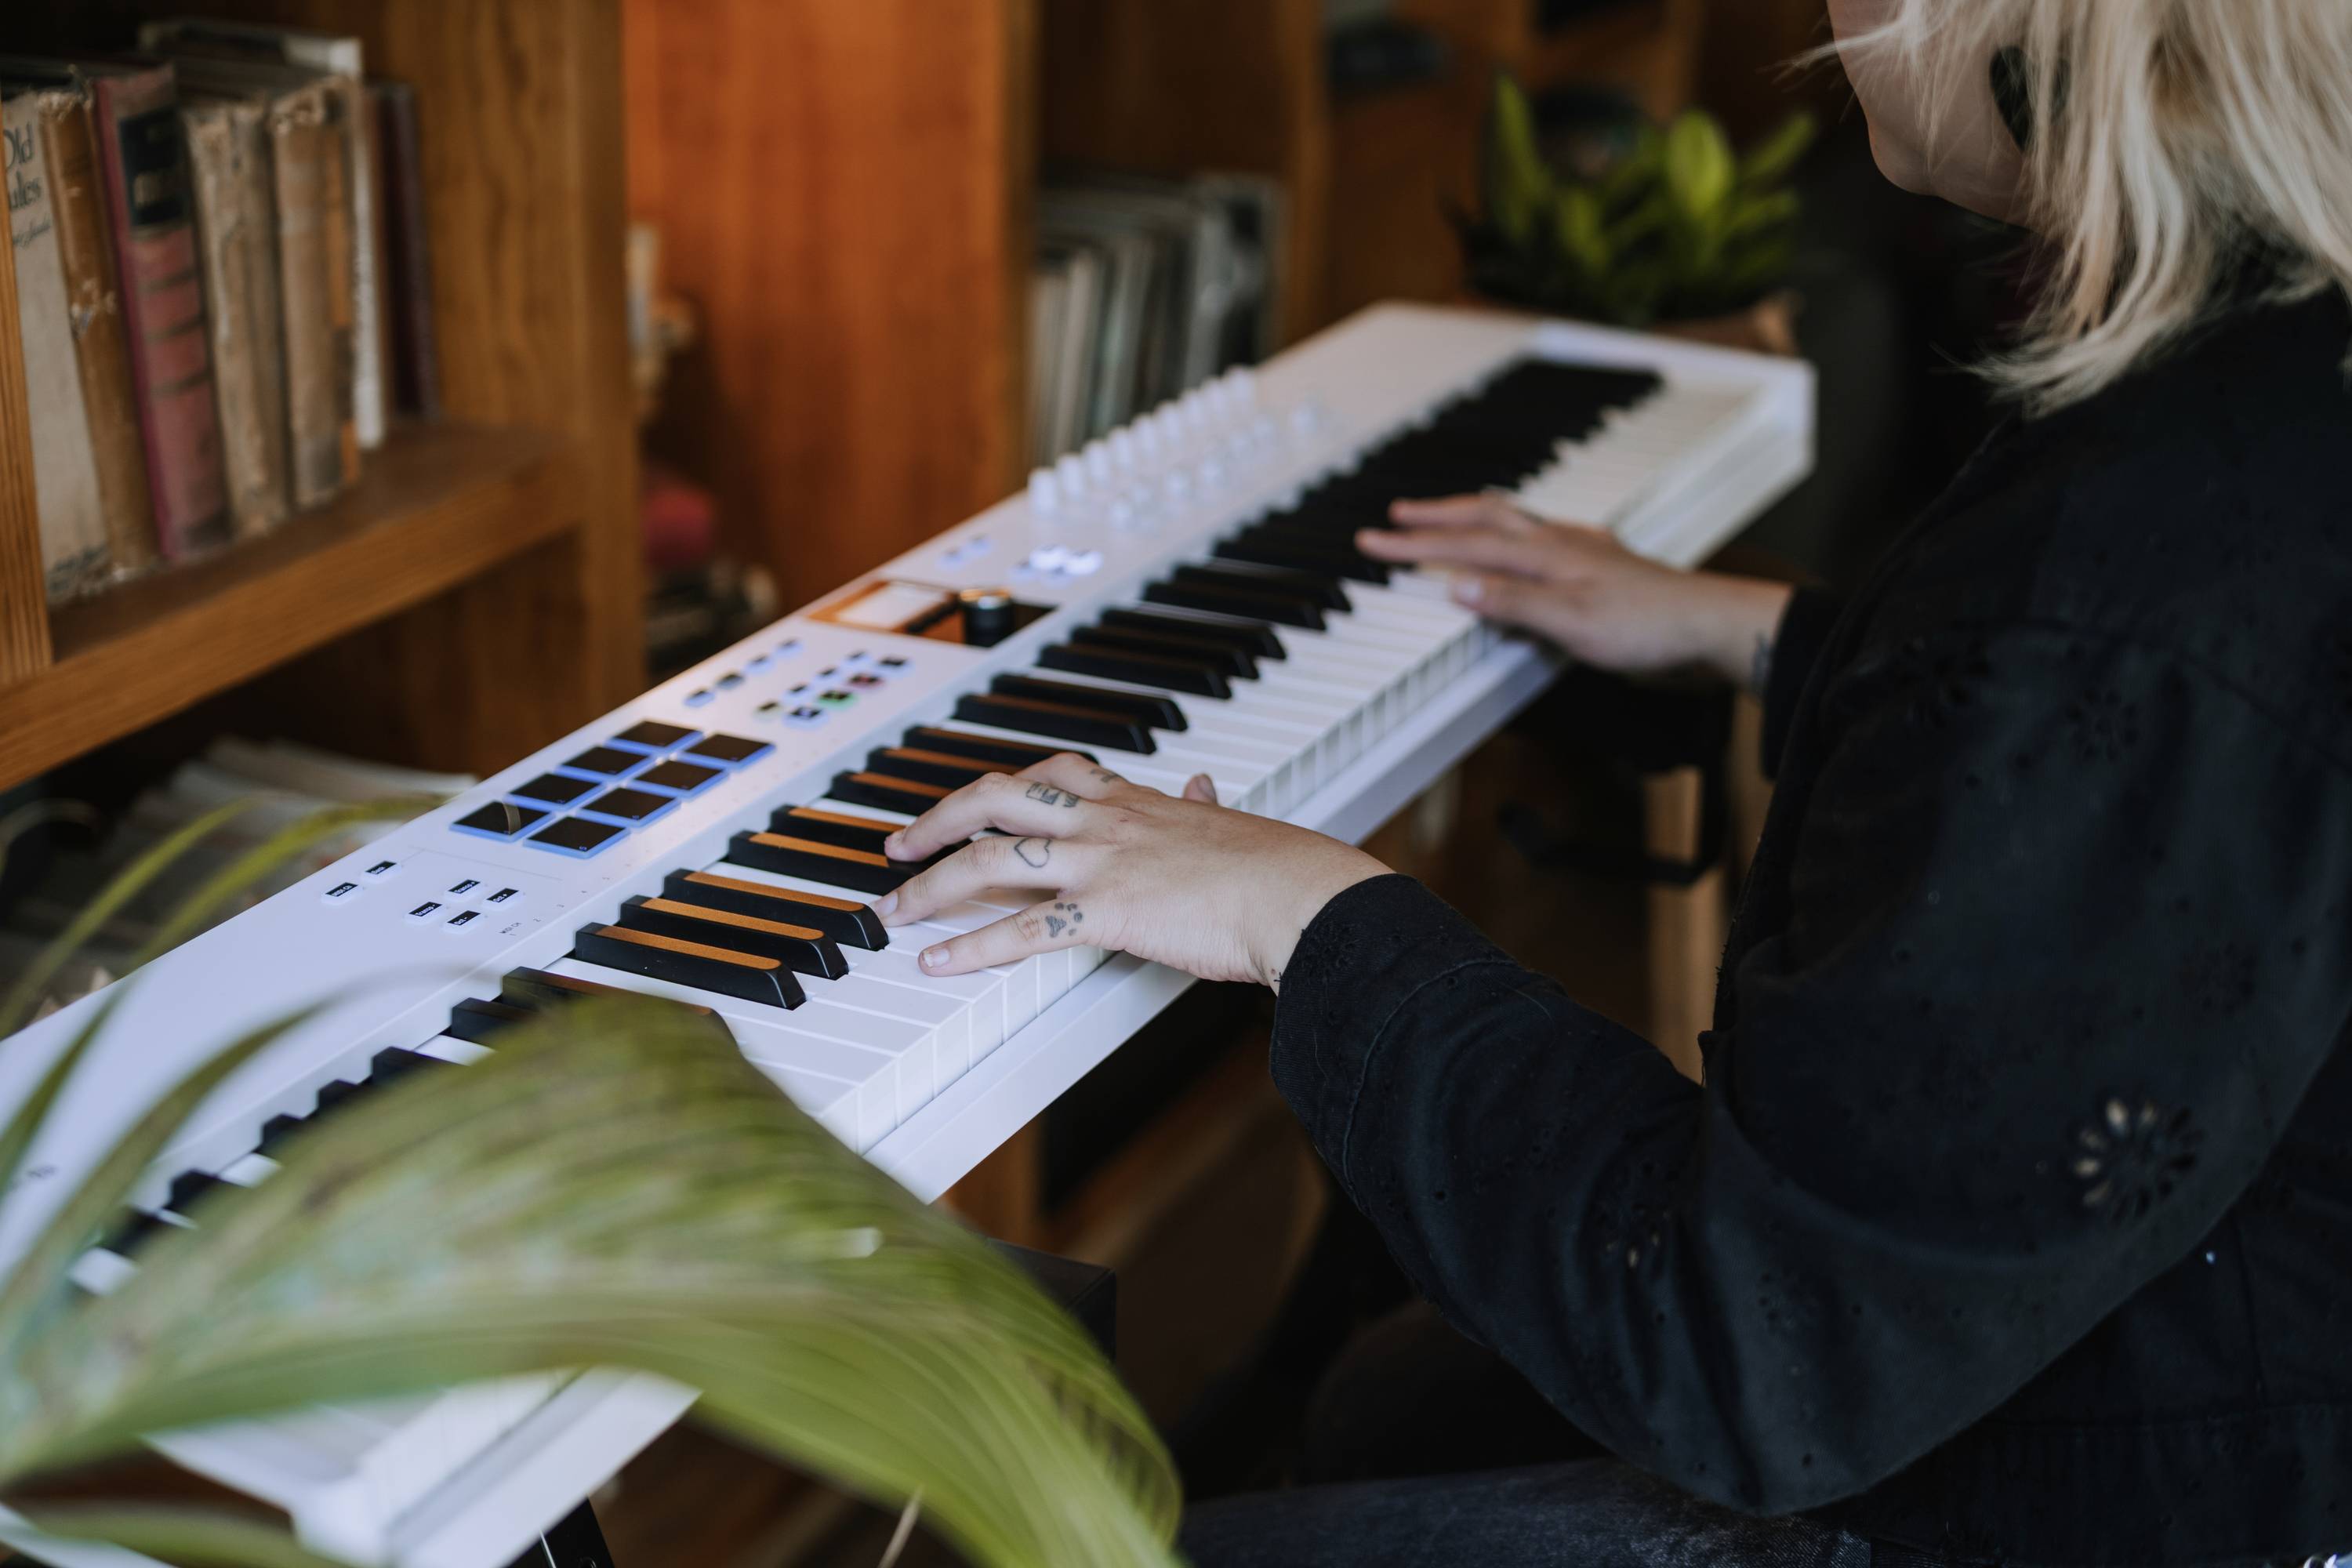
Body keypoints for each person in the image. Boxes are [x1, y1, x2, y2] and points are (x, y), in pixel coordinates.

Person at [878, 0, 2352, 1560]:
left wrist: (1306, 911)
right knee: (1396, 1396)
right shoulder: (2265, 370)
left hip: (2131, 1494)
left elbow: (1757, 1362)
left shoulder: (2137, 563)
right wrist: (1763, 632)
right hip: (2143, 1368)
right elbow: (2155, 783)